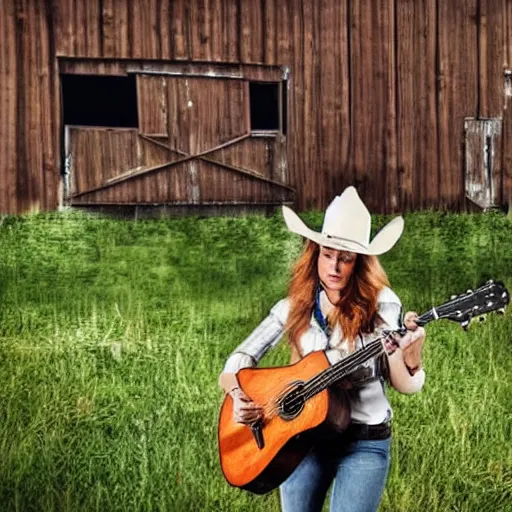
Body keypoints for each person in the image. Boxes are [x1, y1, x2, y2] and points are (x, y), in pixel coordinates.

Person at [218, 186, 426, 512]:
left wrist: (411, 357)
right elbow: (238, 360)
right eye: (327, 254)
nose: (334, 267)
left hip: (365, 441)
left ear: (360, 263)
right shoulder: (294, 306)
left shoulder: (383, 303)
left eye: (345, 259)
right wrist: (238, 396)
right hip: (304, 439)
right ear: (315, 253)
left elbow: (405, 384)